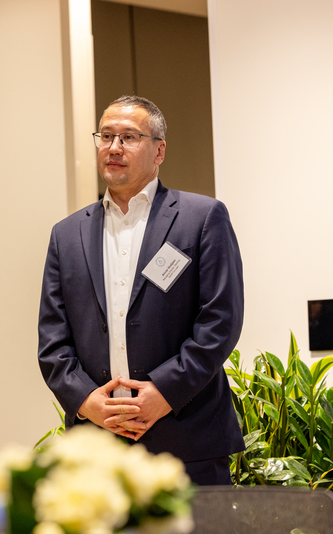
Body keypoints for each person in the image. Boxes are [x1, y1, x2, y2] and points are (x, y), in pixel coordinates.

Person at [37, 96, 245, 485]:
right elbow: (53, 341)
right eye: (106, 136)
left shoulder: (201, 218)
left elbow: (220, 322)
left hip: (186, 441)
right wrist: (88, 402)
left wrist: (164, 392)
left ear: (159, 150)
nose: (114, 148)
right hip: (98, 447)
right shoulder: (66, 234)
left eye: (129, 137)